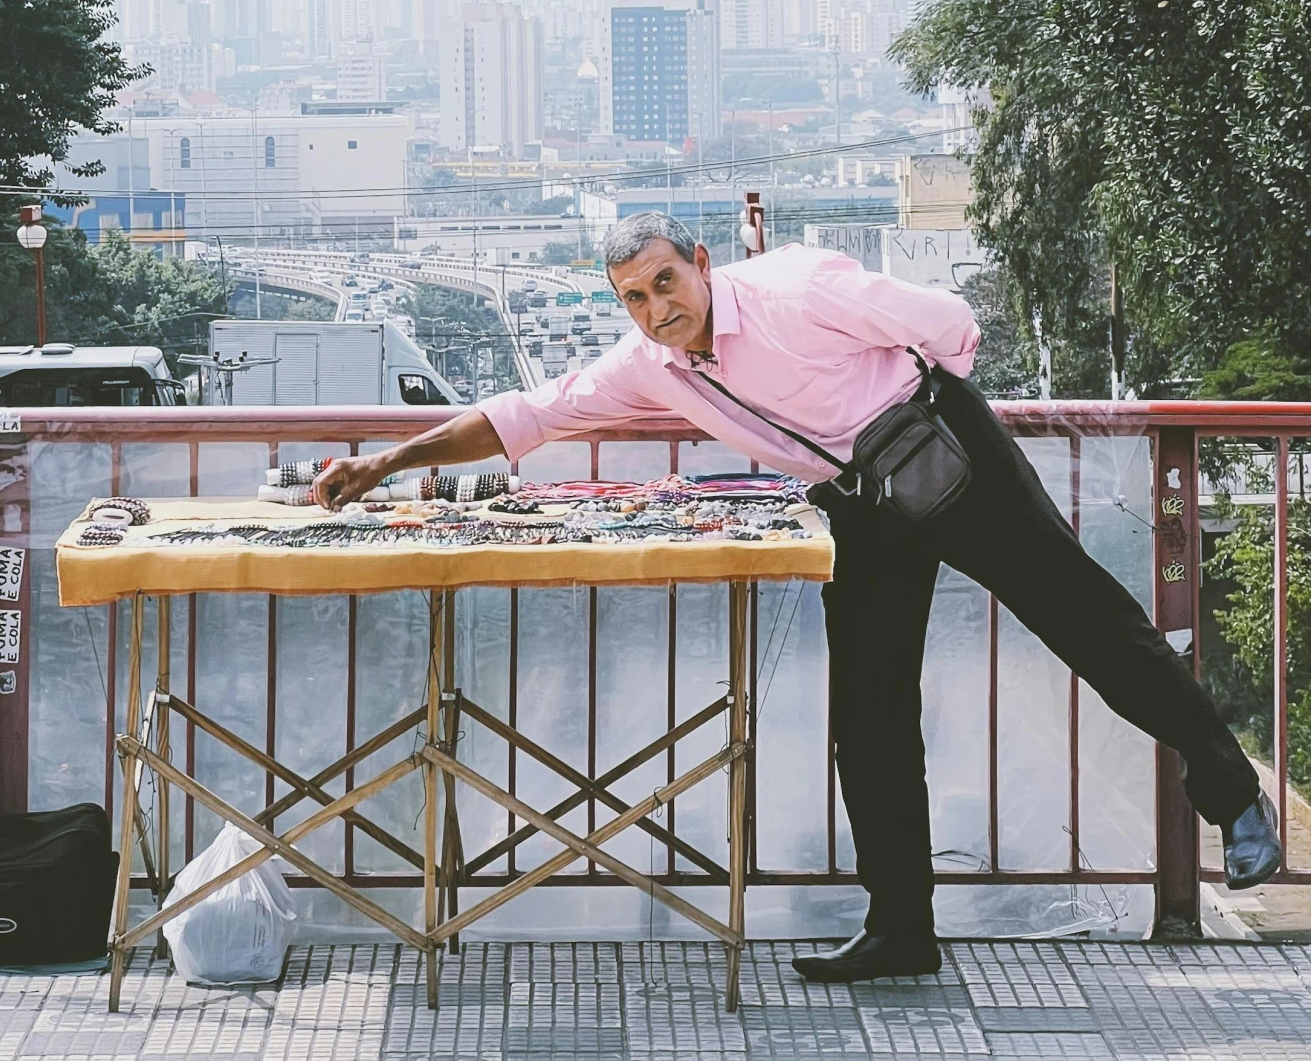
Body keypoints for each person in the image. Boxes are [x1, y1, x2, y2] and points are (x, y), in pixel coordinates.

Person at [313, 211, 1279, 981]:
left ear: (700, 263)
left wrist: (921, 404)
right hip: (860, 504)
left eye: (665, 283)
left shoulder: (795, 286)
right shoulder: (648, 364)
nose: (656, 308)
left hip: (949, 456)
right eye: (633, 299)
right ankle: (902, 933)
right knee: (867, 715)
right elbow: (525, 414)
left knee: (1089, 626)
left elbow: (947, 323)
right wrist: (387, 461)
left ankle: (1233, 800)